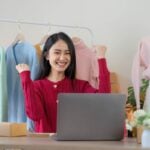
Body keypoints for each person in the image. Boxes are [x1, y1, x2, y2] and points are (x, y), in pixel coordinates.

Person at [16, 32, 110, 133]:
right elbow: (35, 115)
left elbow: (103, 102)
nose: (62, 57)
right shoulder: (37, 86)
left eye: (67, 53)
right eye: (57, 52)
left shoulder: (80, 86)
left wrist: (101, 58)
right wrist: (26, 79)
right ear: (47, 55)